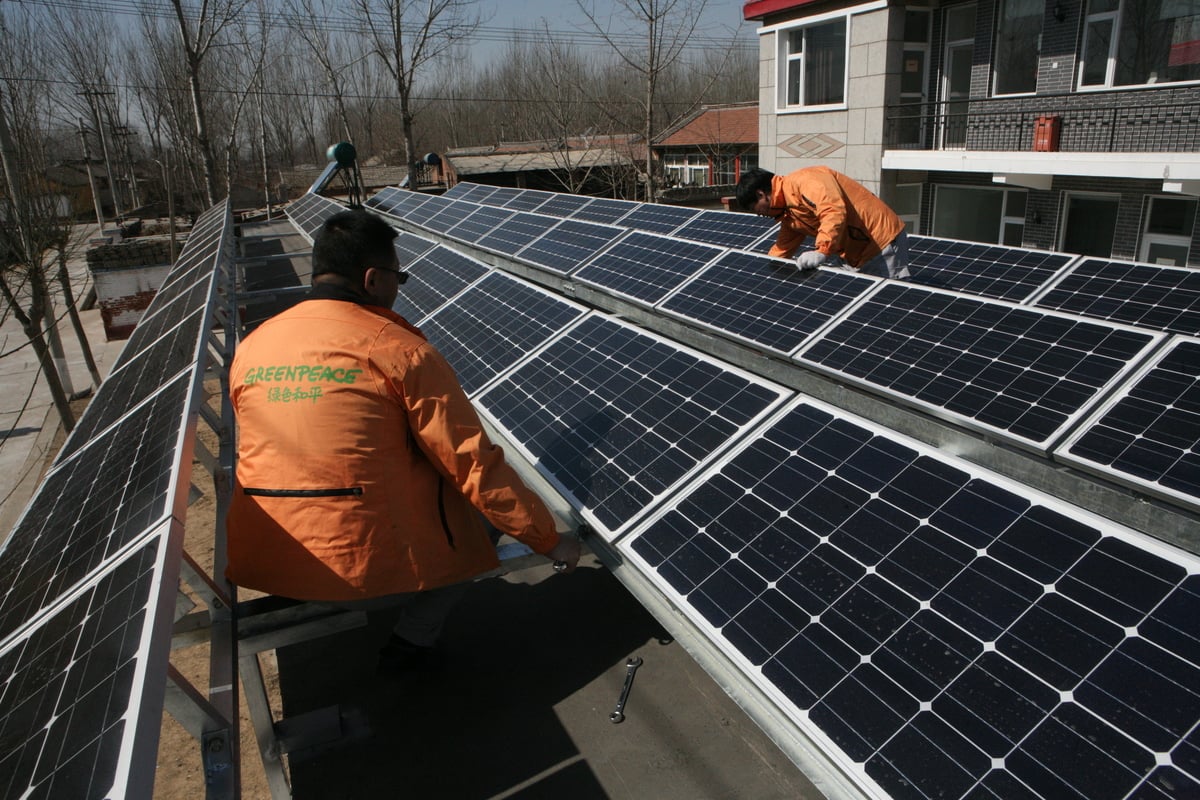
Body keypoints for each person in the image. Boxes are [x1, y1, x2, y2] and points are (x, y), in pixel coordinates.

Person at [226, 208, 580, 670]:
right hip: (358, 575)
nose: (399, 287)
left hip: (269, 560)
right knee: (475, 510)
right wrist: (549, 540)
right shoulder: (399, 351)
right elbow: (471, 464)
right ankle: (414, 638)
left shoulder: (254, 345)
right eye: (399, 277)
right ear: (373, 280)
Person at [736, 166, 910, 279]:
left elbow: (832, 211)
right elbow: (784, 244)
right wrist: (766, 269)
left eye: (754, 208)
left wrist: (822, 250)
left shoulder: (806, 181)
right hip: (853, 252)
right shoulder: (788, 211)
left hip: (880, 240)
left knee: (886, 302)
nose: (758, 214)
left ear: (761, 194)